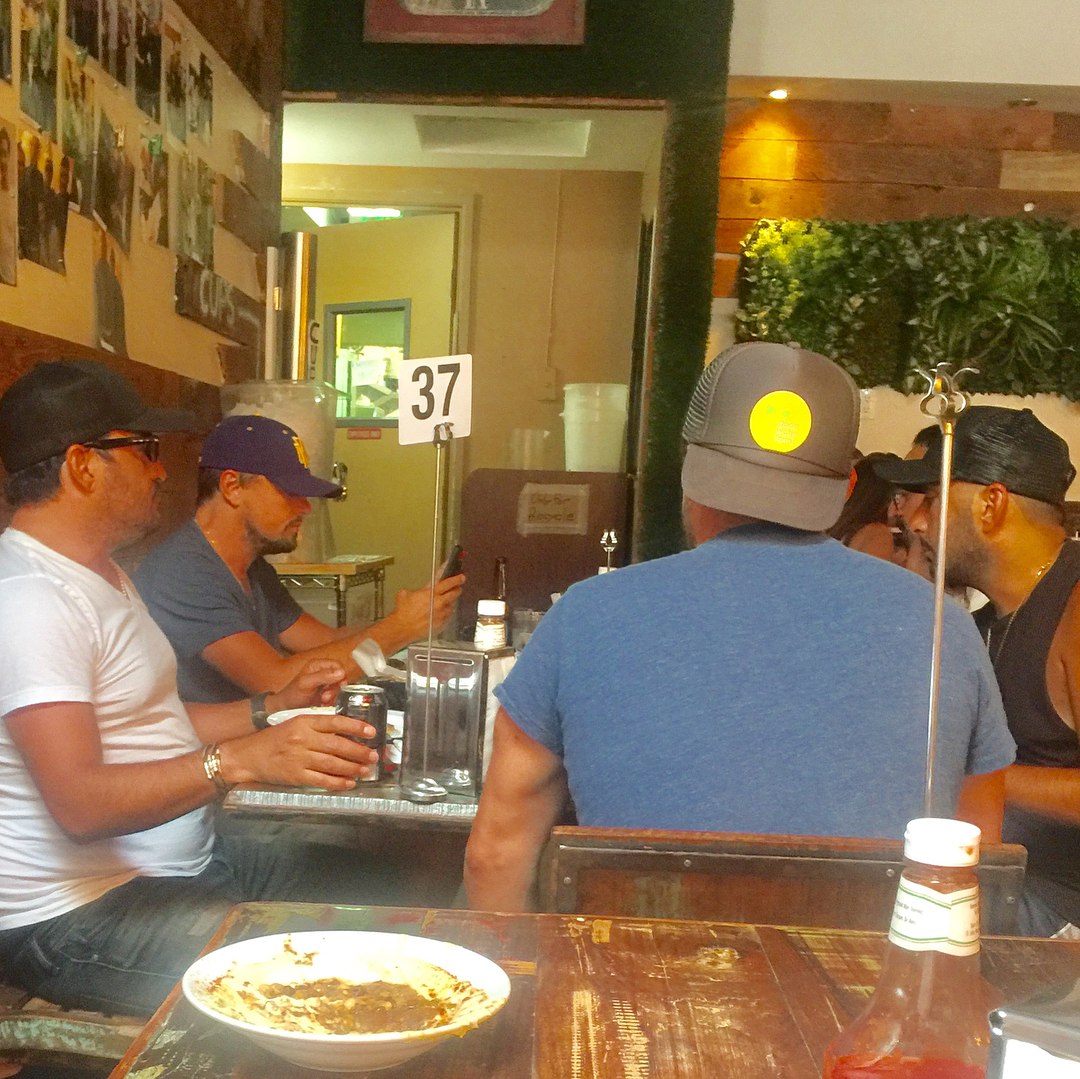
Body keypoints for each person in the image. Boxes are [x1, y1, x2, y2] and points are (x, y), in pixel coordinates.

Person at [464, 342, 1015, 912]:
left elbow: (496, 857)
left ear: (691, 474)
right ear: (848, 487)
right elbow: (976, 869)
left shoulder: (585, 615)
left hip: (633, 963)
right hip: (869, 968)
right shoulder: (947, 630)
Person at [0, 359, 408, 1017]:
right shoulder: (32, 599)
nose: (161, 470)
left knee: (383, 889)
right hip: (73, 915)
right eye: (144, 449)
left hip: (182, 861)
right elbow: (80, 804)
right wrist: (239, 761)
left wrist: (271, 709)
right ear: (82, 465)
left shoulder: (101, 575)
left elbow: (153, 721)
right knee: (321, 976)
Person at [877, 406, 1080, 938]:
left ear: (992, 504)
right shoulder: (981, 624)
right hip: (999, 882)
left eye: (934, 499)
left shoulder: (1075, 606)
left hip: (1058, 910)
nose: (917, 521)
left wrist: (979, 778)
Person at [134, 414, 465, 704]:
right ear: (232, 486)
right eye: (290, 491)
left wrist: (412, 617)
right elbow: (275, 682)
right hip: (202, 751)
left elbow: (325, 642)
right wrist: (400, 628)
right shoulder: (184, 574)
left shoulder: (252, 568)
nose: (306, 507)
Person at [826, 450, 904, 563]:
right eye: (901, 496)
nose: (901, 510)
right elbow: (873, 574)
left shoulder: (834, 526)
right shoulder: (877, 535)